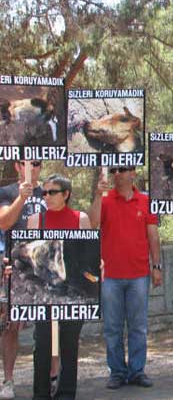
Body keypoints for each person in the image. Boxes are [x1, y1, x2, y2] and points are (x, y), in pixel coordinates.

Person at [88, 166, 162, 390]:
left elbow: (153, 235)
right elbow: (92, 224)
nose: (117, 174)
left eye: (123, 170)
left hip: (139, 274)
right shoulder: (106, 199)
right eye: (114, 170)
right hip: (110, 275)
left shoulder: (145, 200)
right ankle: (117, 372)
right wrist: (97, 196)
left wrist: (156, 266)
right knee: (112, 327)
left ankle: (137, 371)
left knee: (138, 327)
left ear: (133, 174)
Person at [26, 174, 91, 400]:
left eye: (52, 192)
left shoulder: (80, 218)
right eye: (44, 193)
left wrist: (95, 265)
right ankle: (41, 394)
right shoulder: (35, 220)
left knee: (69, 345)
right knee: (42, 344)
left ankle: (66, 394)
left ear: (66, 194)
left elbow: (88, 254)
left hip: (72, 293)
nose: (46, 197)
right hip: (44, 293)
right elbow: (28, 257)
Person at [0, 160, 47, 399]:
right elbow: (4, 222)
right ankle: (8, 380)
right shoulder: (6, 192)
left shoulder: (50, 189)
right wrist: (21, 197)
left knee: (49, 323)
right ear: (17, 166)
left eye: (36, 163)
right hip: (15, 267)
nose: (31, 168)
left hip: (45, 265)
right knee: (11, 326)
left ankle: (51, 377)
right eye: (25, 163)